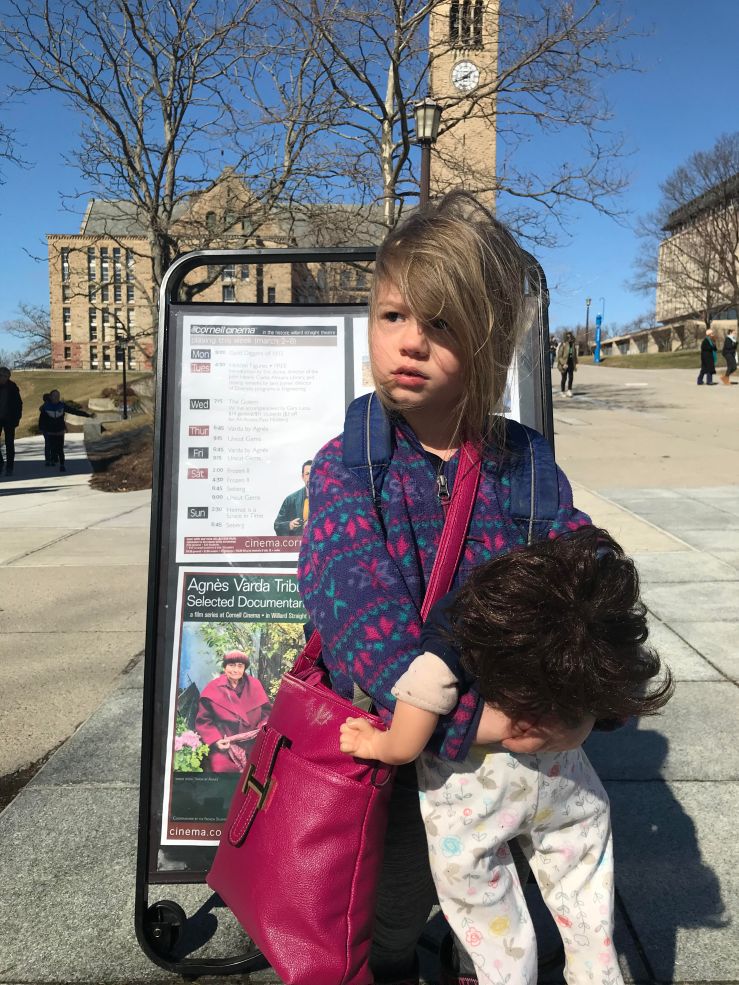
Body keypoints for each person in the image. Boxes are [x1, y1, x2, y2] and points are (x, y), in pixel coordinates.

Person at [298, 191, 596, 985]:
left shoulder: (523, 466)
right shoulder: (350, 463)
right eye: (392, 316)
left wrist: (588, 696)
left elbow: (584, 580)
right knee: (394, 896)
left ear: (490, 342)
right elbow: (356, 605)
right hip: (393, 739)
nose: (409, 343)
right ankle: (393, 964)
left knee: (496, 903)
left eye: (442, 325)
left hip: (509, 747)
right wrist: (475, 719)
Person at [340, 526, 673, 985]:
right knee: (584, 890)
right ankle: (598, 972)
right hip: (565, 781)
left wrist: (379, 745)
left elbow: (422, 693)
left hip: (474, 793)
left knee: (487, 910)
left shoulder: (461, 613)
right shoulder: (557, 609)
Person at [195, 650, 271, 773]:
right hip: (226, 746)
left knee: (264, 769)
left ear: (244, 669)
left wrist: (261, 729)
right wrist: (216, 741)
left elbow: (267, 713)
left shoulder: (255, 685)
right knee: (221, 769)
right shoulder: (212, 688)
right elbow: (204, 721)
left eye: (240, 666)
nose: (235, 670)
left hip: (254, 743)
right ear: (225, 667)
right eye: (231, 665)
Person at [38, 389, 91, 471]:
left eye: (58, 396)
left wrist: (86, 415)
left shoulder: (62, 406)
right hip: (50, 431)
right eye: (55, 396)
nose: (57, 397)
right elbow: (42, 419)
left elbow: (74, 411)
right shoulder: (45, 408)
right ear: (51, 397)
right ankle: (51, 459)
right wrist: (41, 428)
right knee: (51, 447)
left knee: (60, 449)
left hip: (60, 430)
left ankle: (62, 465)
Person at [273, 460, 312, 535]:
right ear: (302, 477)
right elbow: (277, 525)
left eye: (313, 473)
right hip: (298, 545)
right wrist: (289, 525)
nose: (311, 477)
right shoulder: (290, 500)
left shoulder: (328, 500)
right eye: (307, 474)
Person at [0, 366, 23, 477]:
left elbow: (19, 404)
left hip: (9, 419)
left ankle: (10, 467)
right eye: (1, 375)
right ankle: (0, 463)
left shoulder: (12, 387)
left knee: (9, 444)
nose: (3, 378)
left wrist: (17, 418)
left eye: (6, 376)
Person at [555, 331, 577, 397]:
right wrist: (563, 363)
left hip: (570, 363)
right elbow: (559, 356)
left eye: (570, 336)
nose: (569, 338)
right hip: (564, 363)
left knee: (571, 377)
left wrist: (575, 363)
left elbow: (574, 355)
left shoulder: (573, 345)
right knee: (564, 378)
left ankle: (569, 390)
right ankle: (562, 391)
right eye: (568, 337)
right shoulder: (563, 344)